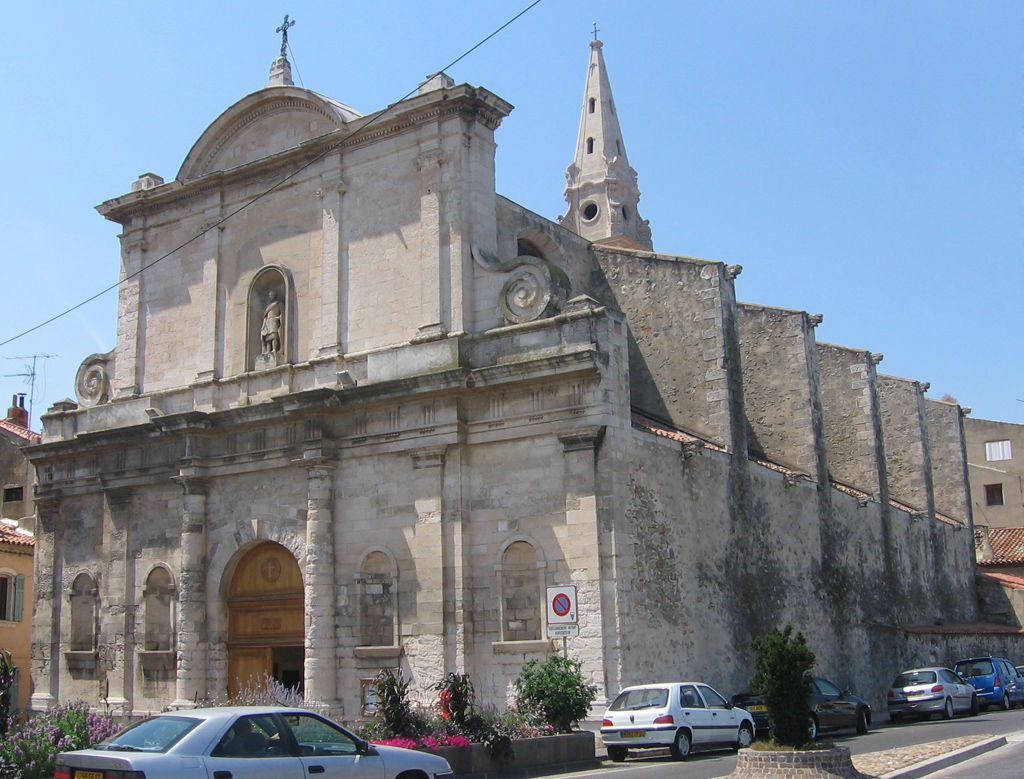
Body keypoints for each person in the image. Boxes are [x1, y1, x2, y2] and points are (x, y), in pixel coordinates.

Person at [261, 290, 283, 355]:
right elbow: (265, 316)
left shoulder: (278, 304)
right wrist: (263, 325)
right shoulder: (268, 306)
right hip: (268, 322)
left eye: (272, 295)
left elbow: (282, 314)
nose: (270, 296)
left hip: (273, 321)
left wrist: (277, 318)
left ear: (274, 296)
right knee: (268, 337)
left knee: (274, 335)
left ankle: (274, 349)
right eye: (270, 295)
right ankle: (268, 351)